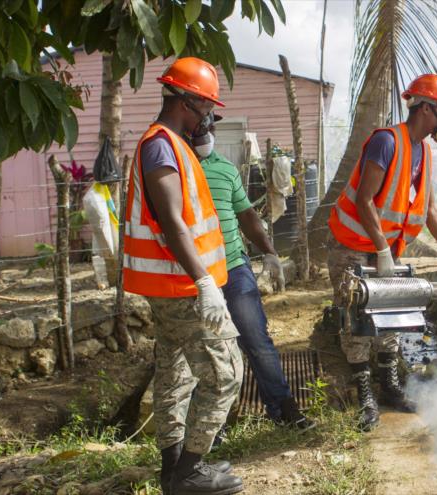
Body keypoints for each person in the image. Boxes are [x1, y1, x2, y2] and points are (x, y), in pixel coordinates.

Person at [122, 57, 243, 495]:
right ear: (187, 101)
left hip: (175, 285)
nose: (208, 118)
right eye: (207, 108)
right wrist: (206, 283)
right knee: (226, 373)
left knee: (176, 374)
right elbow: (172, 222)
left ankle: (173, 473)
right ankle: (190, 471)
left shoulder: (170, 144)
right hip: (184, 286)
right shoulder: (161, 146)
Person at [327, 74, 437, 430]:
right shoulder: (386, 142)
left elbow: (430, 209)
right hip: (354, 247)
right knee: (357, 321)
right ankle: (365, 398)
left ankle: (389, 388)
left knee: (391, 316)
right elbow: (364, 200)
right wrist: (380, 249)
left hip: (384, 249)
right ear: (425, 109)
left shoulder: (424, 151)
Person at [192, 120, 315, 431]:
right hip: (194, 275)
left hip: (234, 267)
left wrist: (270, 253)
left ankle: (283, 408)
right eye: (201, 124)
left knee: (257, 340)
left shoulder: (226, 169)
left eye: (210, 126)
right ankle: (208, 428)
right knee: (204, 350)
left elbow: (246, 215)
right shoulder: (174, 167)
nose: (206, 131)